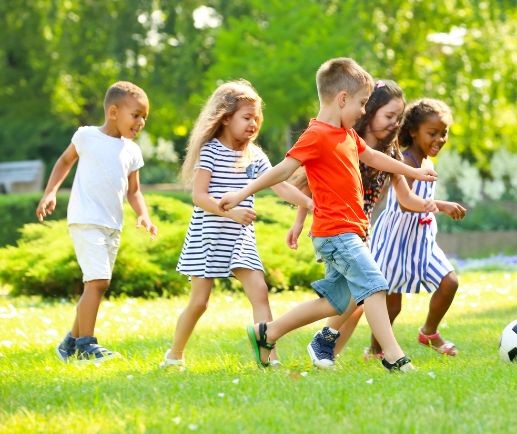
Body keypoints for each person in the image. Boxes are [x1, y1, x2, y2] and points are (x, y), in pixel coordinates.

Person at [219, 58, 437, 372]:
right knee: (374, 285)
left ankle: (269, 332)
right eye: (362, 103)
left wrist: (409, 170)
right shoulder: (317, 135)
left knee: (337, 303)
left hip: (350, 230)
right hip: (335, 233)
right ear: (342, 99)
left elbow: (374, 156)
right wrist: (241, 194)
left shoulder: (346, 135)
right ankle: (393, 355)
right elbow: (283, 170)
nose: (364, 111)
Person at [160, 80, 313, 369]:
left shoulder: (255, 155)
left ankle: (270, 358)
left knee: (259, 291)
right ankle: (174, 355)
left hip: (239, 238)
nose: (253, 123)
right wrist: (230, 213)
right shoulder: (211, 151)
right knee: (200, 302)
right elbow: (199, 196)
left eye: (256, 118)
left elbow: (280, 186)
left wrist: (308, 203)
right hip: (208, 235)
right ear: (226, 118)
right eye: (246, 117)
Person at [285, 80, 437, 368]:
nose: (395, 124)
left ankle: (321, 349)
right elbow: (311, 185)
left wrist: (435, 204)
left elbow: (405, 198)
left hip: (359, 227)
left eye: (398, 118)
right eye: (389, 116)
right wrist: (298, 221)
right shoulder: (344, 138)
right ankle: (386, 356)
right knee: (365, 290)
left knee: (352, 301)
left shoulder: (389, 152)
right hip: (336, 227)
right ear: (371, 111)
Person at [36, 81, 158, 363]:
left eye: (144, 118)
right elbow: (65, 161)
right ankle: (86, 345)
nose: (140, 122)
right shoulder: (87, 136)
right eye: (136, 115)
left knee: (97, 283)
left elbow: (134, 190)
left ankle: (69, 343)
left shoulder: (132, 151)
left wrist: (143, 215)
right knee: (98, 281)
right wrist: (50, 192)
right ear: (113, 111)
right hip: (85, 219)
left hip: (112, 224)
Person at [369, 98, 466, 357]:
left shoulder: (426, 163)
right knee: (392, 305)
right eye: (432, 133)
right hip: (395, 239)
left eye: (443, 133)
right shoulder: (407, 161)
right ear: (413, 131)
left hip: (421, 240)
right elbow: (404, 204)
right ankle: (375, 350)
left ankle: (429, 332)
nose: (439, 139)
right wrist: (441, 205)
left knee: (449, 282)